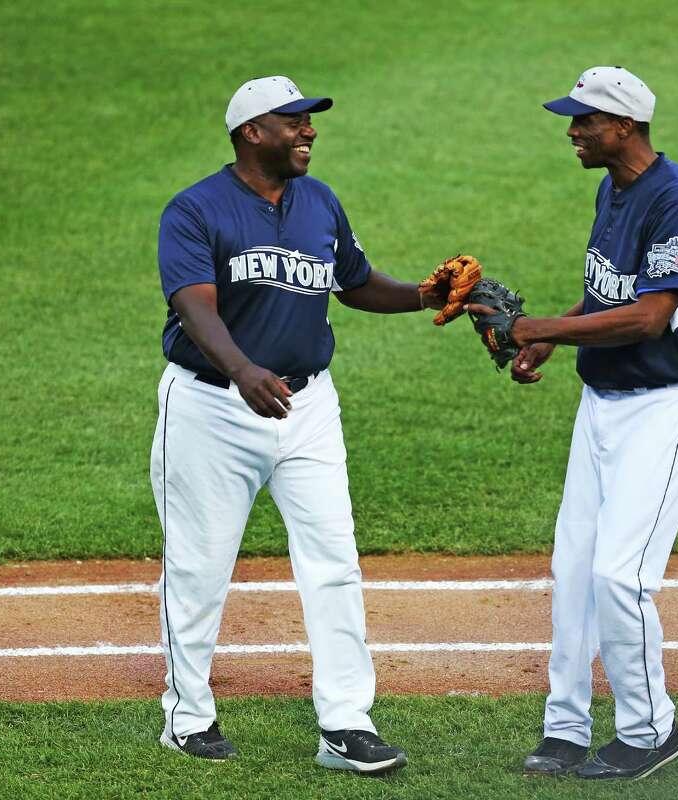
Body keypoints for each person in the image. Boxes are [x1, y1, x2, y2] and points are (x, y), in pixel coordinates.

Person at [149, 75, 444, 774]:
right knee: (198, 568)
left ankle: (346, 724)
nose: (309, 130)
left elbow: (356, 282)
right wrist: (243, 370)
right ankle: (188, 718)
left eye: (309, 121)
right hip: (212, 409)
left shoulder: (319, 202)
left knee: (334, 562)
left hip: (309, 408)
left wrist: (427, 295)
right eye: (295, 121)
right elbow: (196, 307)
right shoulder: (195, 210)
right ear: (253, 132)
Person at [504, 66, 678, 780]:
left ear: (623, 126)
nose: (572, 130)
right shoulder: (614, 187)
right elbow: (608, 293)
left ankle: (652, 730)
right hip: (601, 403)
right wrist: (552, 333)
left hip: (665, 404)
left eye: (584, 120)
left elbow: (652, 315)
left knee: (620, 577)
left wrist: (534, 326)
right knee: (573, 572)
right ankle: (565, 727)